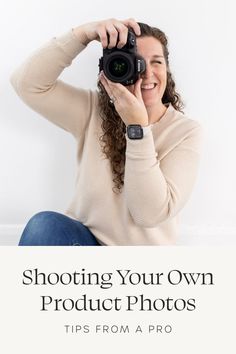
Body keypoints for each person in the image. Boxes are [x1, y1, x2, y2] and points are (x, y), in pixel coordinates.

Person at [11, 18, 202, 246]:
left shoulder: (185, 131)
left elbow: (148, 214)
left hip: (140, 268)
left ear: (167, 70)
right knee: (44, 226)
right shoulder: (92, 109)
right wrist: (82, 34)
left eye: (157, 62)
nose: (146, 72)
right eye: (136, 62)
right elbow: (26, 83)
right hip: (84, 245)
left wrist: (137, 128)